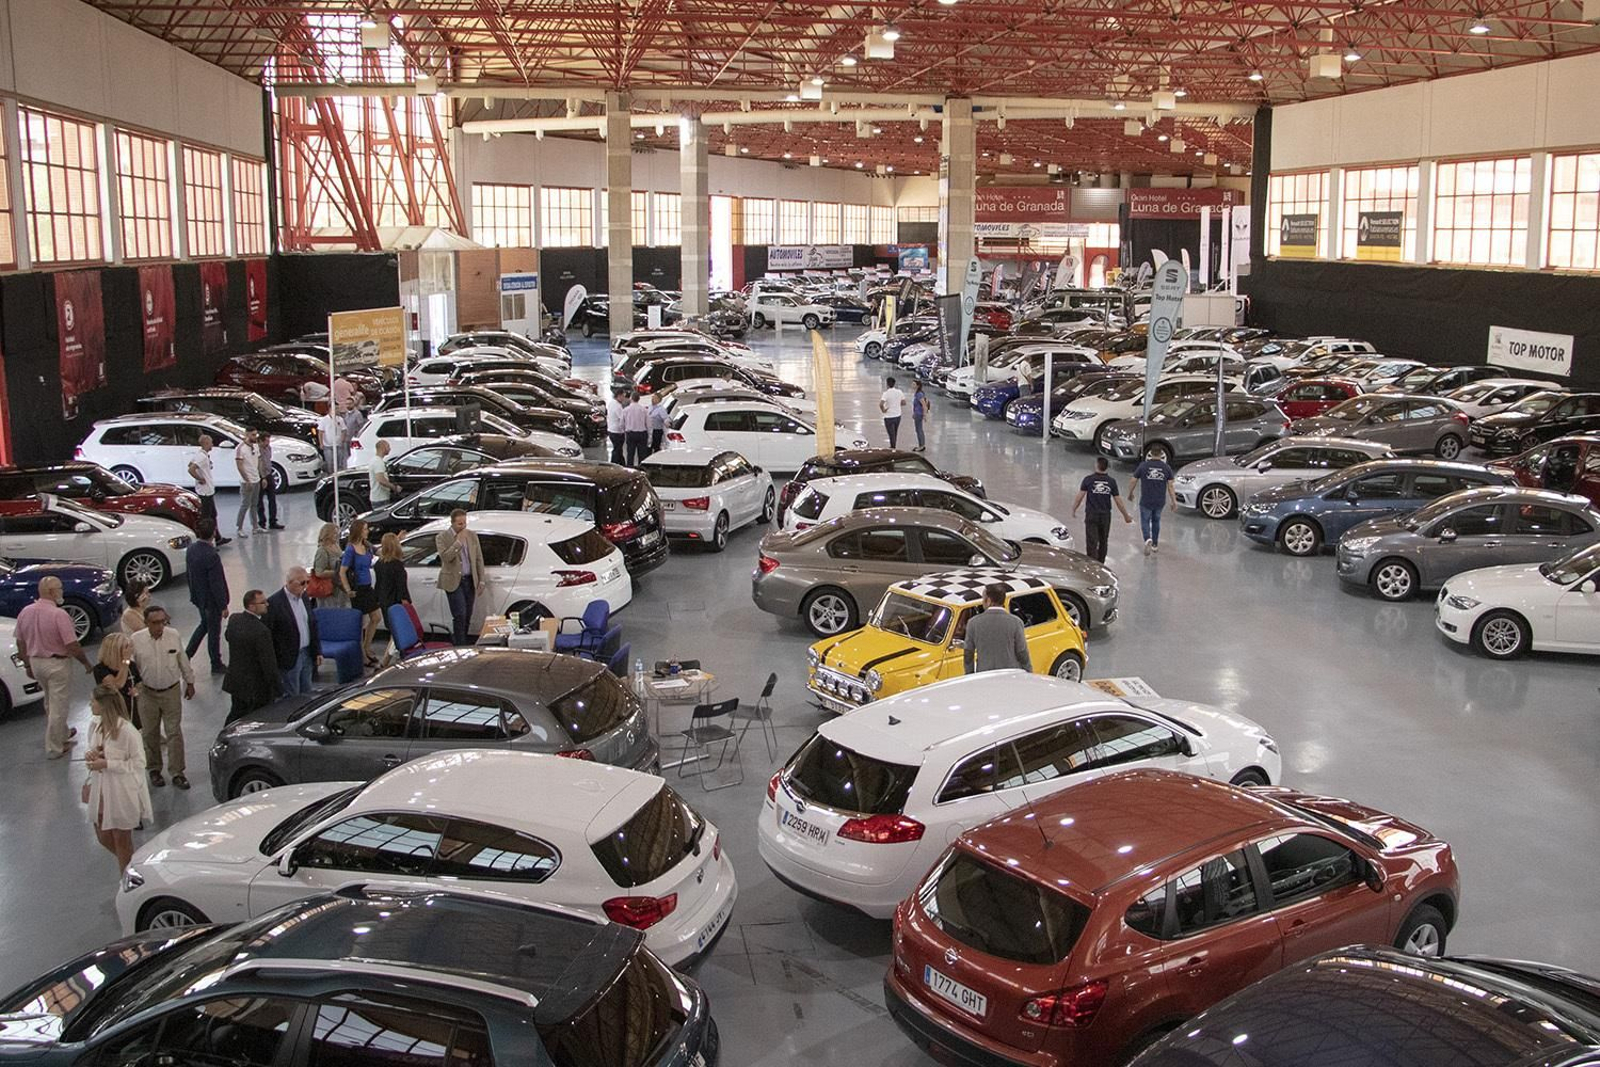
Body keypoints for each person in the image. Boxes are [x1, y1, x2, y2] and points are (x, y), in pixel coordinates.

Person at [14, 576, 93, 758]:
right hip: (56, 664)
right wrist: (86, 663)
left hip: (36, 662)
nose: (62, 591)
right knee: (59, 705)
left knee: (50, 701)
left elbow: (20, 642)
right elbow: (72, 645)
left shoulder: (26, 611)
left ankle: (62, 733)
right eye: (59, 588)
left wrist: (26, 664)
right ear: (51, 592)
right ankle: (55, 747)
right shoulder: (59, 615)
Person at [84, 686, 153, 877]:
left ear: (104, 704)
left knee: (121, 839)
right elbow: (92, 749)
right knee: (103, 836)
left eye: (93, 700)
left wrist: (108, 763)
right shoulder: (96, 726)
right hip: (101, 789)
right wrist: (92, 754)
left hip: (122, 791)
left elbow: (139, 763)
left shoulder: (128, 731)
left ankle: (127, 881)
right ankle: (137, 866)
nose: (90, 704)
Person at [130, 604, 196, 790]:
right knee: (150, 733)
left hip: (171, 691)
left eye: (162, 622)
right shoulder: (136, 640)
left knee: (174, 732)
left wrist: (189, 681)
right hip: (147, 693)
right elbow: (130, 665)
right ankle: (154, 769)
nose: (160, 626)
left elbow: (182, 659)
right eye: (155, 623)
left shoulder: (173, 635)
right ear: (146, 623)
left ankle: (177, 772)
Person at [223, 590, 282, 723]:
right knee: (254, 719)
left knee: (236, 713)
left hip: (236, 682)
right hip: (255, 687)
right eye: (263, 602)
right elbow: (268, 663)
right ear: (251, 606)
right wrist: (277, 687)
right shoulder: (261, 631)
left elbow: (228, 636)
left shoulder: (234, 619)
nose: (267, 604)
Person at [267, 567, 322, 696]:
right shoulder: (275, 603)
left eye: (307, 582)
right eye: (302, 583)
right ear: (290, 582)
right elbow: (270, 634)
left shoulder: (304, 598)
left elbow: (312, 625)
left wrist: (317, 651)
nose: (306, 586)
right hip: (290, 658)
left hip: (307, 653)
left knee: (307, 692)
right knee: (292, 694)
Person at [184, 518, 229, 673]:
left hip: (199, 598)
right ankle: (215, 663)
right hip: (211, 602)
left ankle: (187, 654)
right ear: (214, 532)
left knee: (204, 626)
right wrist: (223, 605)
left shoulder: (192, 549)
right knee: (213, 632)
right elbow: (216, 583)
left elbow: (190, 575)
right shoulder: (212, 555)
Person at [435, 508, 484, 646]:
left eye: (464, 523)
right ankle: (460, 646)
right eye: (460, 524)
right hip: (454, 581)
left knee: (468, 615)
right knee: (460, 614)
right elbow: (445, 557)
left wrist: (481, 580)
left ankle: (463, 642)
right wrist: (458, 543)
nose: (463, 526)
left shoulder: (472, 536)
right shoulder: (442, 537)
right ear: (452, 523)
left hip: (469, 580)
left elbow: (478, 559)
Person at [1071, 456, 1133, 564]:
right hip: (1105, 516)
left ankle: (1092, 564)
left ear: (1096, 465)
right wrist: (1126, 516)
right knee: (1103, 541)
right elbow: (1118, 501)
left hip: (1091, 514)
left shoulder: (1088, 480)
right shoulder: (1111, 482)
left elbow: (1080, 496)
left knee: (1091, 541)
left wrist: (1074, 509)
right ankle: (1101, 564)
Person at [963, 584, 1031, 674]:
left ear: (989, 600)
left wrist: (970, 674)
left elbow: (968, 653)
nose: (982, 602)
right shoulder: (1016, 622)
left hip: (985, 674)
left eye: (983, 599)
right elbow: (1022, 652)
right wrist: (1028, 672)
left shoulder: (973, 623)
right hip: (1010, 674)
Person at [340, 518, 380, 668]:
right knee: (360, 622)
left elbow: (380, 553)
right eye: (365, 529)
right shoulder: (351, 549)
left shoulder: (367, 546)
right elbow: (342, 571)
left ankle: (366, 646)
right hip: (358, 589)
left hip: (368, 586)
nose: (367, 531)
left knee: (376, 617)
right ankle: (362, 653)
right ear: (358, 531)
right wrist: (348, 590)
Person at [1129, 452, 1179, 555]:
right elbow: (1170, 486)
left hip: (1146, 500)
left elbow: (1133, 480)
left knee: (1145, 521)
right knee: (1156, 521)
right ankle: (1155, 545)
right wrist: (1174, 501)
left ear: (1150, 454)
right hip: (1160, 501)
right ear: (1161, 455)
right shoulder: (1166, 468)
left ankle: (1147, 538)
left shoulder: (1143, 466)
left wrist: (1130, 493)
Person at [185, 434, 229, 545]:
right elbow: (191, 469)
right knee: (206, 518)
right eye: (211, 443)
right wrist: (200, 478)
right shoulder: (202, 457)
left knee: (213, 515)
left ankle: (217, 537)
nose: (212, 445)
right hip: (205, 492)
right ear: (205, 443)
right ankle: (206, 541)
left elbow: (190, 464)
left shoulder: (201, 455)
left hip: (208, 490)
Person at [94, 632, 141, 730]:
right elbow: (117, 684)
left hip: (132, 711)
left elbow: (139, 682)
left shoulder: (131, 665)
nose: (129, 650)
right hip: (114, 714)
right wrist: (126, 660)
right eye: (126, 647)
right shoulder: (100, 669)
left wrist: (137, 690)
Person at [234, 428, 263, 538]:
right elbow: (239, 466)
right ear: (247, 434)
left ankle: (255, 526)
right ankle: (239, 527)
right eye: (253, 435)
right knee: (245, 504)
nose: (255, 437)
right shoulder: (240, 449)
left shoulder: (255, 446)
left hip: (256, 479)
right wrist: (247, 480)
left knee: (255, 504)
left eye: (256, 434)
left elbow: (259, 460)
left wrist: (261, 476)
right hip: (247, 482)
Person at [311, 522, 346, 608]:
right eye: (334, 533)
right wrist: (336, 572)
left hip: (339, 587)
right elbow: (319, 572)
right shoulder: (322, 551)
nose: (337, 535)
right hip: (328, 590)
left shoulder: (336, 546)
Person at [254, 433, 283, 530]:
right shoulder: (257, 451)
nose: (268, 443)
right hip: (260, 476)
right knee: (259, 500)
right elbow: (259, 464)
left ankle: (273, 521)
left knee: (272, 499)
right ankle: (262, 522)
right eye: (266, 441)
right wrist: (263, 478)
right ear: (260, 441)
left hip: (269, 474)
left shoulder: (268, 448)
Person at [623, 390, 650, 465]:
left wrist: (624, 431)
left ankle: (630, 470)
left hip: (630, 434)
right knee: (642, 455)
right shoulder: (644, 410)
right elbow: (648, 423)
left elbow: (622, 423)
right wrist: (650, 435)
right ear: (639, 399)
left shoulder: (626, 410)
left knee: (630, 454)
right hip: (642, 434)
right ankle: (641, 470)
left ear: (631, 398)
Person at [880, 376, 906, 448]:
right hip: (898, 416)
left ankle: (893, 447)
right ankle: (893, 445)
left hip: (889, 416)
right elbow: (904, 403)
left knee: (891, 433)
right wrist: (897, 403)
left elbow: (881, 404)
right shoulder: (899, 392)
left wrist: (883, 410)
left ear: (887, 384)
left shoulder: (886, 393)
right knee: (895, 432)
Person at [369, 439, 396, 507]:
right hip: (380, 499)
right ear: (383, 448)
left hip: (378, 498)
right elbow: (381, 480)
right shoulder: (378, 462)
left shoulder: (375, 460)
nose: (390, 449)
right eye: (388, 446)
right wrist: (393, 487)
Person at [605, 389, 626, 464]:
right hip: (617, 432)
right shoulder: (618, 406)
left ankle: (622, 464)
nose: (624, 398)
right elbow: (622, 419)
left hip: (611, 430)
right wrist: (624, 430)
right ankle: (614, 464)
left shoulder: (611, 403)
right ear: (619, 396)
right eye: (623, 396)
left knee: (618, 449)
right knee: (617, 450)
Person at [911, 381, 932, 452]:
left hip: (919, 414)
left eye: (914, 384)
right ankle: (921, 445)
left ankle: (921, 446)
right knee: (918, 430)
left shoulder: (919, 394)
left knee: (919, 430)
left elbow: (924, 405)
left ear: (918, 386)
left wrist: (924, 415)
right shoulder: (917, 394)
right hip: (917, 413)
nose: (912, 385)